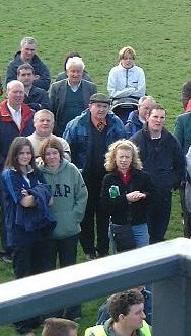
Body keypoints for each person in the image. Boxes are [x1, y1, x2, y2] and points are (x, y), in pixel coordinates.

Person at [0, 137, 55, 334]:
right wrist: (38, 193)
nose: (25, 157)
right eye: (21, 153)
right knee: (23, 278)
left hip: (40, 230)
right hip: (20, 233)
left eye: (27, 153)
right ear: (14, 155)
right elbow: (23, 202)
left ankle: (36, 317)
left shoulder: (36, 172)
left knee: (40, 276)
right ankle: (21, 323)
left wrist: (33, 192)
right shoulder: (9, 174)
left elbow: (50, 200)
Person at [64, 93, 126, 259]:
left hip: (108, 178)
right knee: (86, 214)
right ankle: (88, 249)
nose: (101, 110)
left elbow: (124, 147)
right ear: (90, 106)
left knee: (105, 214)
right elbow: (67, 150)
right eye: (98, 106)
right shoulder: (76, 124)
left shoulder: (116, 124)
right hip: (84, 177)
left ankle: (103, 248)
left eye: (105, 107)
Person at [0, 80, 36, 262]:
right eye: (15, 92)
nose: (19, 95)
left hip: (28, 171)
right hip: (6, 173)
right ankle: (6, 249)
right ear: (7, 94)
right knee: (8, 210)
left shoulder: (31, 115)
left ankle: (25, 246)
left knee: (28, 206)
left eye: (21, 92)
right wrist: (6, 166)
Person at [40, 138, 87, 320]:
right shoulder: (38, 173)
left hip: (69, 230)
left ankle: (73, 310)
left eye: (55, 153)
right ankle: (53, 311)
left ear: (61, 154)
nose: (52, 157)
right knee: (50, 273)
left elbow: (82, 195)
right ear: (43, 156)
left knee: (70, 271)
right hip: (48, 232)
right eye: (48, 154)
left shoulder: (72, 170)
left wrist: (74, 217)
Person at [130, 104, 185, 244]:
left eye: (162, 118)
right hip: (143, 196)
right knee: (143, 234)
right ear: (147, 117)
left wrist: (172, 182)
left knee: (159, 233)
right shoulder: (136, 141)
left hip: (163, 195)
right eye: (155, 117)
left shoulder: (171, 141)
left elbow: (180, 164)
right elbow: (130, 167)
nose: (158, 120)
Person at [101, 140, 154, 251]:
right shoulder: (109, 179)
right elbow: (105, 204)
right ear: (114, 158)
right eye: (121, 157)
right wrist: (126, 199)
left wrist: (143, 196)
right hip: (118, 226)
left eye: (127, 157)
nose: (124, 160)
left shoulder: (143, 176)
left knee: (142, 260)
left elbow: (154, 196)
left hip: (139, 225)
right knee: (122, 263)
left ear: (132, 159)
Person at [49, 57, 98, 136]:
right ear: (67, 72)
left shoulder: (91, 88)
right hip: (61, 130)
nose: (76, 74)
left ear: (82, 73)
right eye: (73, 71)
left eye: (78, 72)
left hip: (84, 130)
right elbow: (52, 109)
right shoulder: (56, 87)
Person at [85, 289, 151, 336]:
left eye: (142, 310)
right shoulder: (95, 334)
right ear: (122, 317)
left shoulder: (147, 329)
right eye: (138, 313)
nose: (144, 316)